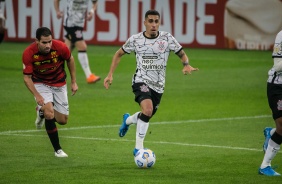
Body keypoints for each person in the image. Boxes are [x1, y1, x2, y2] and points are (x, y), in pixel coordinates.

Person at [103, 10, 199, 156]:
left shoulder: (167, 38)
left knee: (146, 115)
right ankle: (138, 149)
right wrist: (110, 74)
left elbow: (181, 53)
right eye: (150, 21)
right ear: (145, 23)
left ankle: (127, 120)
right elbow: (119, 54)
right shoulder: (136, 39)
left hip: (159, 86)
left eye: (156, 21)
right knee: (147, 110)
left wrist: (186, 64)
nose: (154, 24)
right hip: (140, 80)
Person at [22, 27, 78, 157]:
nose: (48, 45)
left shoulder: (60, 47)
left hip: (59, 83)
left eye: (49, 41)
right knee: (49, 113)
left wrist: (74, 81)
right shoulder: (29, 53)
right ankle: (57, 150)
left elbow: (70, 59)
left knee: (62, 120)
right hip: (40, 83)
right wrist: (37, 95)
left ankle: (40, 111)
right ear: (37, 41)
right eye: (44, 42)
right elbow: (27, 78)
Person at [54, 0, 100, 84]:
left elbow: (95, 2)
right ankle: (89, 76)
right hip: (70, 24)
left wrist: (92, 11)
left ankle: (53, 71)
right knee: (82, 47)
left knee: (66, 50)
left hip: (79, 24)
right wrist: (57, 11)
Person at [259, 30, 282, 176]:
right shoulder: (281, 35)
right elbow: (278, 66)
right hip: (278, 85)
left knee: (280, 128)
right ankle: (265, 166)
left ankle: (271, 133)